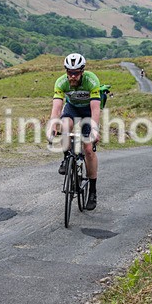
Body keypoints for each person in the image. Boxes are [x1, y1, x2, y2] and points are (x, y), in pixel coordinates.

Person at [47, 53, 101, 210]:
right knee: (64, 125)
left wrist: (94, 130)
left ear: (82, 71)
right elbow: (57, 107)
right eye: (69, 72)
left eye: (76, 72)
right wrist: (52, 125)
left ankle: (92, 191)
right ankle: (66, 158)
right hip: (72, 108)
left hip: (88, 111)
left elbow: (95, 109)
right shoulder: (61, 82)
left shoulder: (92, 80)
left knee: (89, 149)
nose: (72, 76)